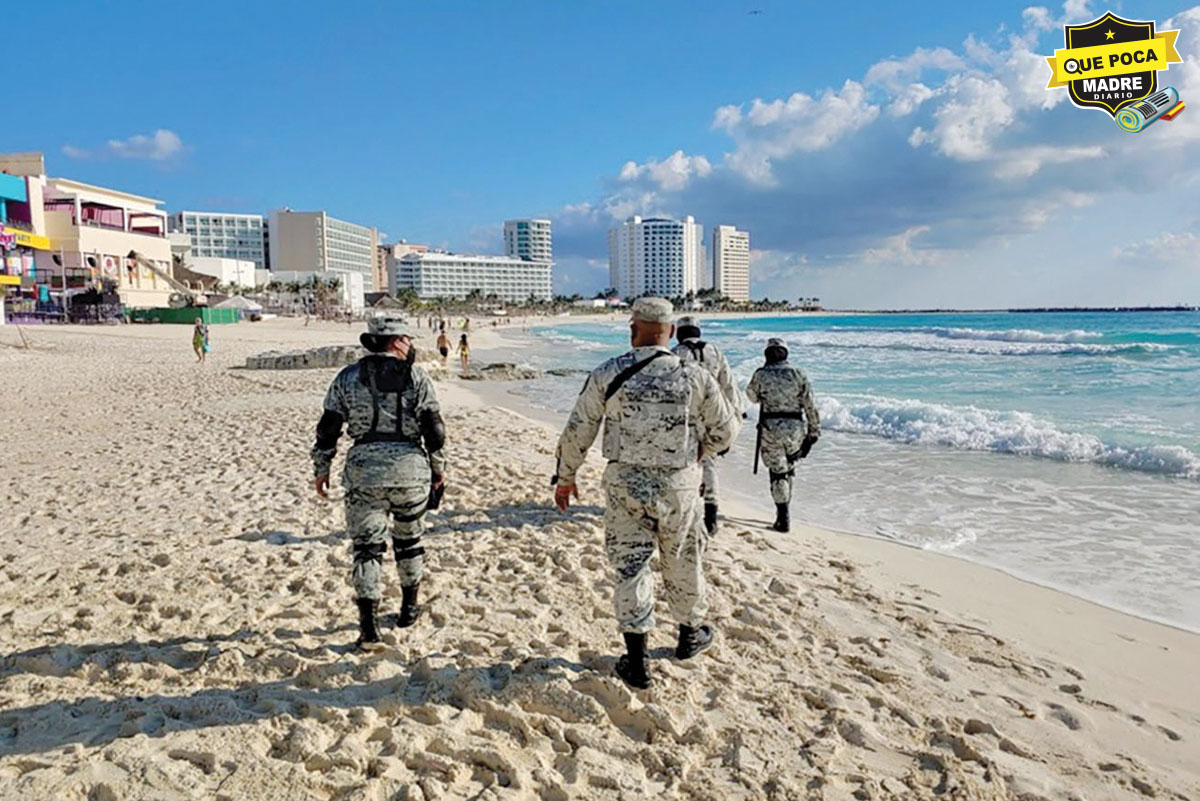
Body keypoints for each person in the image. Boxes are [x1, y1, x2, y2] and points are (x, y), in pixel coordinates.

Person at [554, 298, 740, 689]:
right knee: (684, 559)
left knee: (631, 565)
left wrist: (566, 477)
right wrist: (702, 450)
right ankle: (689, 636)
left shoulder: (609, 372)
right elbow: (727, 430)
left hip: (625, 485)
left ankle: (637, 661)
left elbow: (579, 429)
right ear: (671, 332)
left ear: (632, 329)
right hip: (679, 487)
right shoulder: (694, 375)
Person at [312, 314, 447, 651]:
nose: (411, 345)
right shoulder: (417, 377)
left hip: (364, 472)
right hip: (410, 471)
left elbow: (329, 428)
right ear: (396, 341)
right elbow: (434, 431)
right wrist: (438, 470)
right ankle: (408, 608)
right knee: (409, 541)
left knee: (367, 548)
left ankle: (369, 629)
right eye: (408, 339)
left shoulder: (347, 378)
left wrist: (322, 467)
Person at [672, 315, 745, 534]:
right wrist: (733, 422)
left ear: (679, 333)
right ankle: (711, 514)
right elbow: (729, 387)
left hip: (687, 415)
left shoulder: (676, 353)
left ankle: (687, 506)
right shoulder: (715, 352)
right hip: (713, 413)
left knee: (685, 461)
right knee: (709, 461)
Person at [745, 338, 820, 533]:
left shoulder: (761, 374)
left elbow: (751, 396)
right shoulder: (798, 374)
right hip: (794, 428)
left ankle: (782, 514)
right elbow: (810, 404)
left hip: (771, 427)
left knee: (777, 472)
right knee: (790, 467)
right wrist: (813, 432)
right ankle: (786, 509)